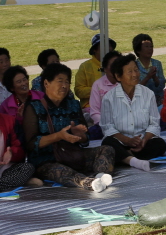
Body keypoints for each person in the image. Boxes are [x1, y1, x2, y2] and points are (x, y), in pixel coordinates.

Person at [23, 63, 114, 192]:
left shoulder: (74, 105)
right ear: (46, 83)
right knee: (61, 171)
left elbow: (86, 138)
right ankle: (88, 182)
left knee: (107, 149)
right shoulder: (34, 107)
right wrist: (58, 136)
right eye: (60, 81)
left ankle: (100, 177)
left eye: (67, 82)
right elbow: (31, 144)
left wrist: (80, 135)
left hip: (72, 155)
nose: (64, 86)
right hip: (46, 160)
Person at [100, 54, 166, 171]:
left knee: (160, 144)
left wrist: (144, 140)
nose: (135, 74)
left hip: (142, 142)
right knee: (107, 143)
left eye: (136, 70)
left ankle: (125, 156)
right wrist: (127, 140)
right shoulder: (109, 98)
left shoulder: (148, 94)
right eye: (129, 72)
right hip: (121, 141)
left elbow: (154, 124)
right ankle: (133, 160)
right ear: (118, 76)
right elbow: (107, 127)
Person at [75, 34, 117, 108]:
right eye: (103, 45)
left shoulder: (118, 64)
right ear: (95, 49)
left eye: (109, 45)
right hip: (90, 106)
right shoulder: (85, 67)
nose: (108, 48)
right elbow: (79, 91)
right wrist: (99, 90)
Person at [86, 51, 121, 136]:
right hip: (104, 126)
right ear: (105, 69)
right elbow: (95, 113)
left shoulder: (126, 82)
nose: (115, 68)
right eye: (112, 65)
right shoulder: (98, 85)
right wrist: (109, 126)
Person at [132, 34, 165, 106]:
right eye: (146, 47)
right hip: (140, 102)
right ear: (138, 50)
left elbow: (161, 85)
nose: (150, 49)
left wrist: (155, 78)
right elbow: (134, 88)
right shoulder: (134, 66)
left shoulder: (157, 63)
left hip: (157, 101)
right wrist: (148, 77)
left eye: (151, 46)